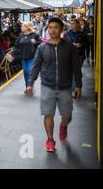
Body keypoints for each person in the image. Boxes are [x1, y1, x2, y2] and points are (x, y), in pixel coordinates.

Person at [27, 17, 82, 153]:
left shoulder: (70, 47)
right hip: (47, 86)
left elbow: (76, 67)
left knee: (67, 116)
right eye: (50, 27)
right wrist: (30, 83)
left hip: (65, 87)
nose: (52, 30)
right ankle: (50, 139)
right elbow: (35, 66)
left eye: (55, 27)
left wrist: (78, 85)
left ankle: (63, 126)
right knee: (48, 113)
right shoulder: (41, 48)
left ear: (61, 29)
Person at [13, 22, 41, 94]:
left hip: (32, 56)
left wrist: (35, 42)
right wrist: (17, 53)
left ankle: (30, 86)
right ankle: (27, 87)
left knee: (29, 71)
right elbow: (16, 45)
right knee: (25, 72)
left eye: (22, 26)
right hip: (23, 57)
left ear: (27, 27)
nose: (21, 27)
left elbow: (41, 43)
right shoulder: (21, 35)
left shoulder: (35, 35)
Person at [65, 19, 86, 97]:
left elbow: (87, 44)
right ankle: (74, 88)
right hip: (69, 55)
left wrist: (80, 45)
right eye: (71, 23)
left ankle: (75, 90)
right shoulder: (67, 33)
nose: (71, 25)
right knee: (71, 72)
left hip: (80, 55)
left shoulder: (82, 34)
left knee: (76, 72)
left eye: (73, 23)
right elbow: (64, 43)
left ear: (77, 24)